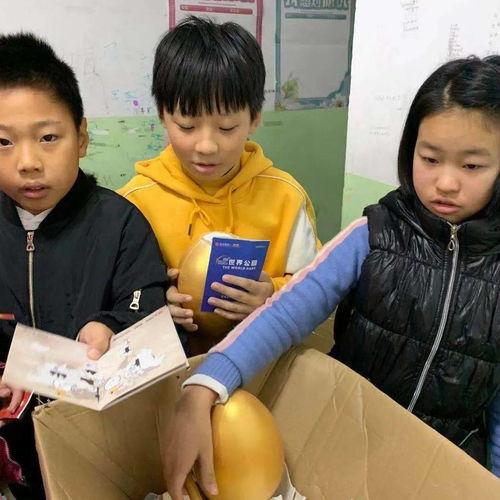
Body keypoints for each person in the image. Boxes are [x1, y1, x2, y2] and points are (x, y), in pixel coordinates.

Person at [163, 55, 500, 498]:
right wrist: (207, 382)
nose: (446, 182)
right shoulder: (373, 235)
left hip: (442, 467)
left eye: (472, 166)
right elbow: (286, 313)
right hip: (344, 446)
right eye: (430, 158)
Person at [0, 33, 168, 498]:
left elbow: (151, 308)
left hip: (100, 446)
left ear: (82, 137)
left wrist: (111, 326)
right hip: (13, 455)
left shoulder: (120, 223)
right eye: (3, 141)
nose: (27, 162)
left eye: (48, 138)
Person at [119, 17, 320, 351]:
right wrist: (156, 303)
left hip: (260, 360)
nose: (206, 146)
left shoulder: (286, 197)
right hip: (175, 368)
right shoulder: (133, 204)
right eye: (187, 126)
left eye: (226, 128)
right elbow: (119, 298)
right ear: (162, 114)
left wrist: (272, 294)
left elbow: (316, 290)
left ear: (254, 118)